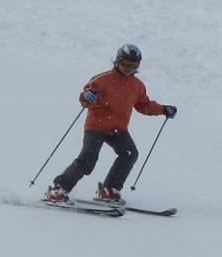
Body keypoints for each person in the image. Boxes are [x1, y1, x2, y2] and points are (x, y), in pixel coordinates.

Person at [47, 44, 177, 204]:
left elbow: (144, 105)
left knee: (130, 154)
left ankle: (109, 190)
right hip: (97, 126)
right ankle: (58, 189)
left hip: (118, 129)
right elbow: (85, 96)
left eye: (134, 65)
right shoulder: (102, 80)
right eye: (126, 64)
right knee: (88, 158)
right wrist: (87, 97)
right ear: (117, 61)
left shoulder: (137, 85)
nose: (129, 68)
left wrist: (163, 109)